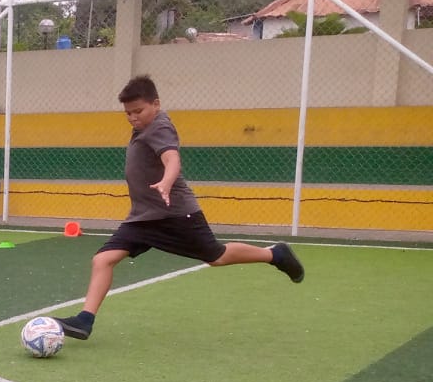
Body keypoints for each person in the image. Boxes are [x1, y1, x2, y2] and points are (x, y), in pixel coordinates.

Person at [55, 75, 304, 341]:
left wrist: (166, 182)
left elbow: (172, 159)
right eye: (128, 113)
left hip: (175, 215)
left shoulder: (159, 127)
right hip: (142, 218)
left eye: (138, 111)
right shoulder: (143, 126)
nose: (133, 117)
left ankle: (274, 254)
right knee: (103, 259)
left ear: (156, 104)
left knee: (216, 256)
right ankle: (85, 321)